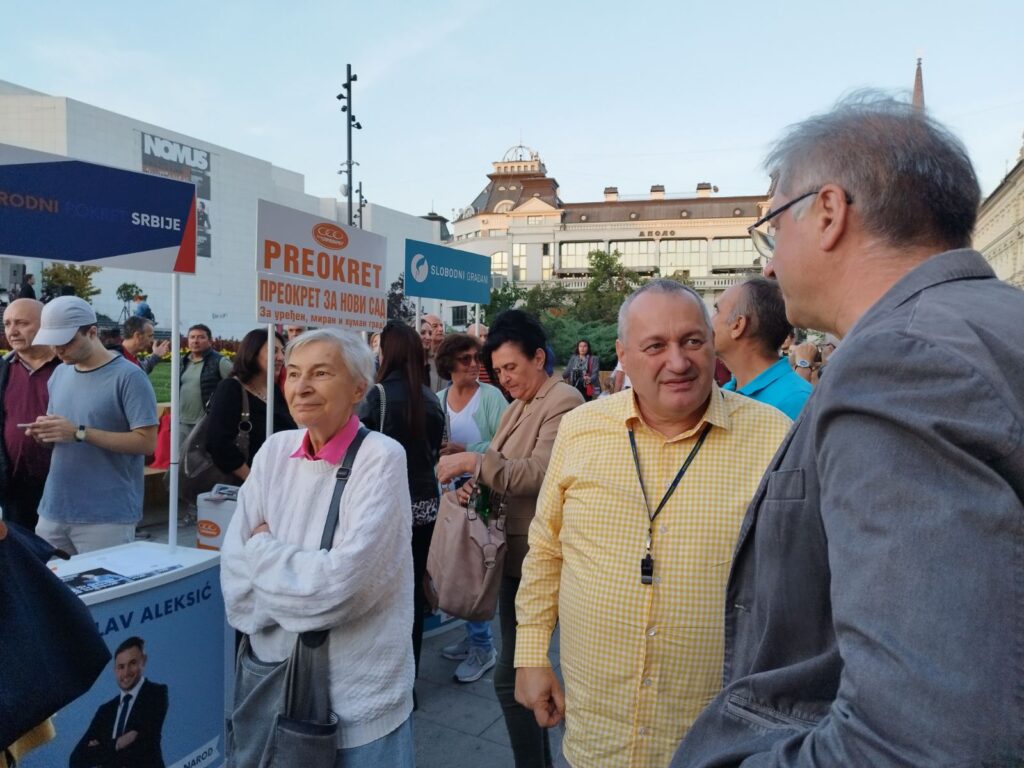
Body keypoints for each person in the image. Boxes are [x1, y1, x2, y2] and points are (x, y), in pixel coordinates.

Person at [671, 93, 1024, 767]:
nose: (769, 265)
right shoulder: (994, 321)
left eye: (773, 230)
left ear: (829, 212)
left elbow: (922, 742)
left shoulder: (899, 361)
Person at [512, 280, 791, 767]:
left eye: (691, 341)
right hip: (598, 734)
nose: (678, 362)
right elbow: (547, 548)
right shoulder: (582, 429)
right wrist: (532, 652)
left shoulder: (773, 437)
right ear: (623, 354)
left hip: (712, 739)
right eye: (655, 346)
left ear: (712, 342)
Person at [221, 328, 415, 764]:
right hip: (273, 683)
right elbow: (234, 581)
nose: (301, 386)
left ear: (358, 388)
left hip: (359, 701)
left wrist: (264, 549)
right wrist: (300, 583)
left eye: (320, 373)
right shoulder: (273, 452)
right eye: (292, 373)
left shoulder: (381, 458)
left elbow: (342, 588)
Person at [438, 309, 583, 768]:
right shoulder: (520, 404)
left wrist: (473, 465)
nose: (504, 379)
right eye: (497, 371)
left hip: (537, 556)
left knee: (512, 676)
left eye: (511, 368)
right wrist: (475, 486)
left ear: (539, 357)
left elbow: (541, 472)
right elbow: (502, 463)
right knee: (516, 676)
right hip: (509, 551)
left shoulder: (563, 400)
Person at [26, 297, 157, 554]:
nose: (58, 349)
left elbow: (146, 442)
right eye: (53, 341)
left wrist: (79, 432)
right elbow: (63, 431)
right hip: (54, 508)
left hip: (106, 515)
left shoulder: (129, 376)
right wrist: (45, 435)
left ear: (92, 332)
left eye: (67, 341)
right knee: (50, 591)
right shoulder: (60, 374)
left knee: (107, 593)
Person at [359, 321, 445, 678]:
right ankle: (408, 674)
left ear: (387, 352)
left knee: (378, 590)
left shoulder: (375, 396)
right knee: (410, 591)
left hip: (385, 504)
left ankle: (381, 672)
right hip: (425, 502)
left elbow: (361, 450)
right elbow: (435, 452)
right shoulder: (430, 398)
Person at [434, 333, 509, 683]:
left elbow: (506, 443)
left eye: (476, 358)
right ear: (448, 363)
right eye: (465, 359)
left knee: (476, 567)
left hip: (481, 495)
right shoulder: (438, 399)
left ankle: (483, 647)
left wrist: (465, 448)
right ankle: (473, 637)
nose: (474, 364)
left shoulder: (490, 396)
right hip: (450, 497)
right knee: (459, 565)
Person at [713, 277, 812, 419]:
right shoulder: (728, 390)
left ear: (738, 325)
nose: (709, 321)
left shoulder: (796, 400)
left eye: (717, 311)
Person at [205, 329, 295, 483]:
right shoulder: (231, 389)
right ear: (252, 354)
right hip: (245, 487)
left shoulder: (274, 391)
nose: (281, 357)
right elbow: (218, 443)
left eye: (282, 351)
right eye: (273, 351)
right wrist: (252, 480)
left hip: (278, 481)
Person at [0, 299, 58, 531]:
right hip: (12, 487)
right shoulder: (4, 368)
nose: (12, 331)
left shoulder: (67, 367)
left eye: (21, 323)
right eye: (7, 324)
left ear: (46, 325)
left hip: (61, 484)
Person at [70, 636, 168, 768]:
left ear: (143, 661)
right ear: (115, 670)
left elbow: (140, 750)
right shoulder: (105, 710)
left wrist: (97, 751)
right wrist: (118, 743)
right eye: (121, 667)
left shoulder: (156, 694)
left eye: (132, 663)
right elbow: (76, 759)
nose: (126, 672)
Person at [179, 324, 232, 437]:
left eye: (201, 337)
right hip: (181, 422)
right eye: (192, 337)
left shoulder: (220, 362)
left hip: (205, 422)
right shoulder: (183, 362)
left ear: (210, 341)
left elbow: (236, 387)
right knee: (179, 454)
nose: (195, 341)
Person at [420, 313, 448, 392]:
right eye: (435, 326)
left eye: (441, 325)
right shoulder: (419, 359)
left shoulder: (448, 355)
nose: (441, 329)